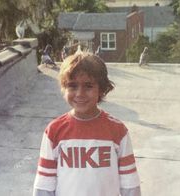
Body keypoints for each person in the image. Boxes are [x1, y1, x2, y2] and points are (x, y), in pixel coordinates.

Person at [33, 52, 141, 196]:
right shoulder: (54, 131)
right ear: (64, 89)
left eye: (88, 86)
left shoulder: (118, 131)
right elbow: (44, 185)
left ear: (102, 89)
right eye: (72, 86)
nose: (80, 93)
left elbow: (130, 184)